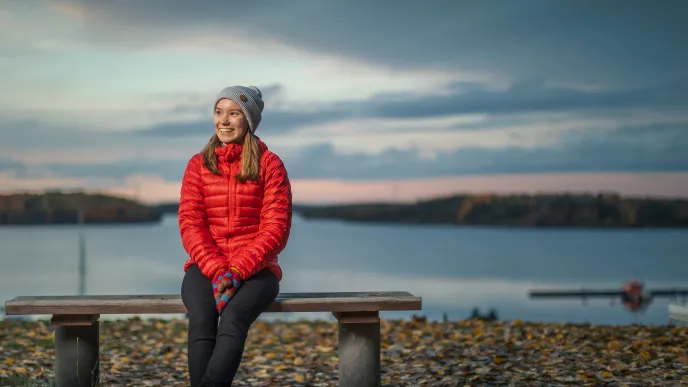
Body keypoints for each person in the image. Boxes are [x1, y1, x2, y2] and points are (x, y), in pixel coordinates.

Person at [178, 85, 292, 386]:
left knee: (233, 318)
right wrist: (218, 270)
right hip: (206, 267)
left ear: (249, 121)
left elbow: (276, 229)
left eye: (233, 113)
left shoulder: (270, 165)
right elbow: (191, 224)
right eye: (218, 112)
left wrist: (238, 270)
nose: (223, 121)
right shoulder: (198, 165)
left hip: (257, 271)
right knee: (201, 320)